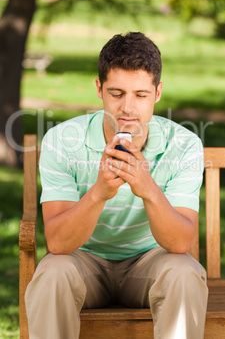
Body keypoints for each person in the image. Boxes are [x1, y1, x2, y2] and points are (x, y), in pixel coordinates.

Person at [25, 32, 208, 339]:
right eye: (117, 93)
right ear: (99, 89)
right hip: (85, 263)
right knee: (52, 273)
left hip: (150, 263)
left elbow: (179, 244)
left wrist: (147, 187)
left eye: (141, 95)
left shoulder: (185, 145)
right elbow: (57, 244)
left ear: (158, 93)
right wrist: (99, 193)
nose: (128, 108)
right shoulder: (61, 140)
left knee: (184, 272)